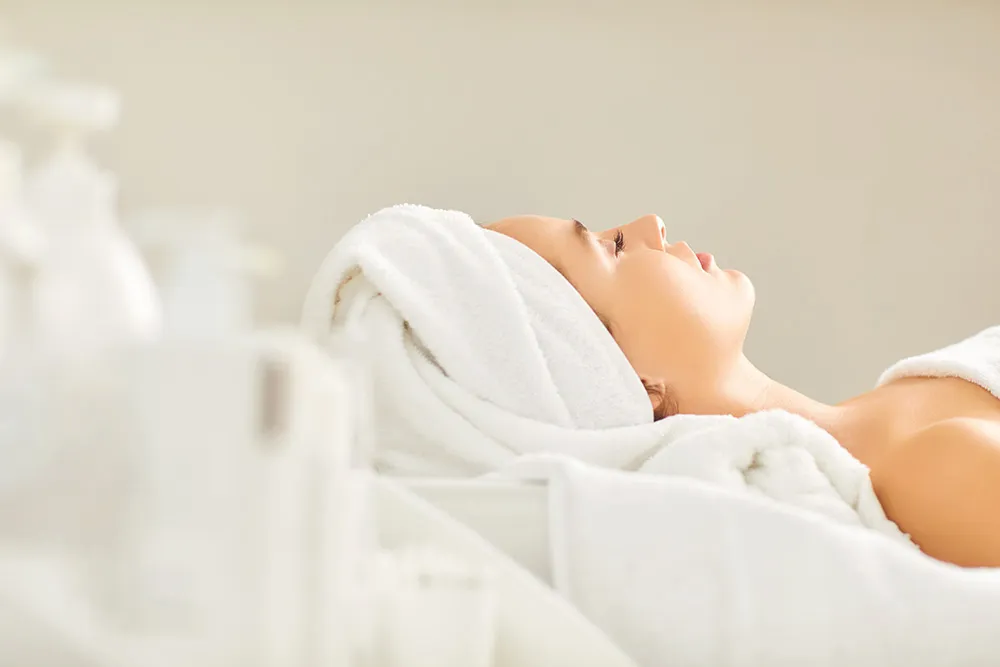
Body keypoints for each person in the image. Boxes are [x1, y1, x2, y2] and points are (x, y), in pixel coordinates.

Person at [487, 213, 1000, 568]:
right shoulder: (937, 478)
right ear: (625, 381)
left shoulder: (932, 390)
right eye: (614, 246)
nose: (651, 224)